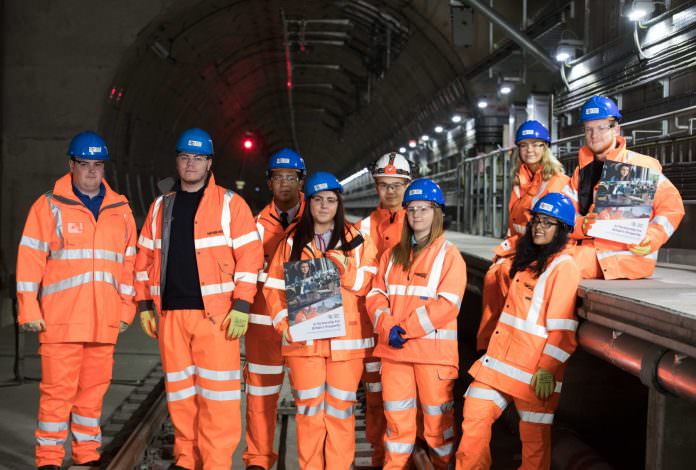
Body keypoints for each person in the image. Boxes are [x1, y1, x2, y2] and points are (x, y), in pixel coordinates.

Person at [134, 128, 263, 470]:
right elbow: (143, 258)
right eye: (185, 157)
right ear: (177, 162)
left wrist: (242, 304)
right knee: (180, 395)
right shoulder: (161, 206)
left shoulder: (230, 205)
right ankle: (185, 459)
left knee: (218, 399)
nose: (191, 164)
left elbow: (250, 257)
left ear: (209, 163)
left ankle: (216, 463)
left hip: (216, 318)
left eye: (198, 158)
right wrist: (144, 303)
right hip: (172, 316)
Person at [16, 131, 137, 469]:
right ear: (71, 164)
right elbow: (30, 260)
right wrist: (28, 307)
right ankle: (49, 460)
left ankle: (87, 456)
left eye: (97, 164)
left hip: (104, 321)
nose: (91, 172)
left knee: (92, 395)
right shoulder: (49, 206)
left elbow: (129, 264)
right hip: (60, 321)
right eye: (84, 164)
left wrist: (126, 308)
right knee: (57, 396)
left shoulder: (120, 210)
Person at [456, 193, 580, 470]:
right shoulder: (527, 262)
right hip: (498, 365)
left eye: (548, 223)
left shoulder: (563, 268)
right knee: (474, 419)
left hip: (535, 375)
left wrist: (547, 368)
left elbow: (564, 328)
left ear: (563, 230)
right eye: (537, 220)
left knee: (534, 445)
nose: (539, 226)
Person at [263, 172, 378, 469]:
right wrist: (283, 326)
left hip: (345, 345)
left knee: (340, 413)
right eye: (317, 200)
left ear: (338, 203)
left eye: (330, 200)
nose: (324, 206)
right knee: (309, 413)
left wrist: (345, 272)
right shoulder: (291, 242)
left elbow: (371, 282)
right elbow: (272, 289)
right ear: (308, 202)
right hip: (305, 343)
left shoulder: (358, 241)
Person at [366, 178, 467, 469]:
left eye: (425, 208)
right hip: (395, 354)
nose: (417, 214)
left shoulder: (449, 257)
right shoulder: (391, 256)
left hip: (432, 358)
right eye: (412, 209)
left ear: (437, 213)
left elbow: (447, 305)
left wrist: (405, 329)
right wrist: (387, 327)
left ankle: (440, 464)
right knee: (397, 425)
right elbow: (375, 295)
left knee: (437, 426)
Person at [477, 120, 574, 353]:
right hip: (523, 247)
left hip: (546, 250)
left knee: (506, 278)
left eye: (536, 145)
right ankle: (491, 344)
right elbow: (516, 226)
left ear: (546, 148)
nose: (530, 150)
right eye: (524, 145)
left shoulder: (558, 182)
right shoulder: (519, 181)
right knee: (494, 275)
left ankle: (506, 344)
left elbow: (560, 228)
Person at [570, 95, 685, 279]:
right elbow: (565, 215)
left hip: (630, 259)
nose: (594, 135)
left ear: (616, 128)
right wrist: (582, 225)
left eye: (601, 127)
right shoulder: (581, 172)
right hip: (588, 255)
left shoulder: (641, 165)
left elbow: (672, 207)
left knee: (555, 267)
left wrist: (652, 237)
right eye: (589, 129)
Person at [244, 148, 306, 470]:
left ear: (301, 182)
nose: (284, 184)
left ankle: (315, 461)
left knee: (311, 396)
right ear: (269, 183)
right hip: (262, 324)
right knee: (260, 395)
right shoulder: (252, 225)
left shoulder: (320, 220)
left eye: (291, 178)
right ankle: (257, 459)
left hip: (305, 324)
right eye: (278, 178)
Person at [354, 151, 413, 465]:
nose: (390, 192)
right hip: (371, 328)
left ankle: (401, 458)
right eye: (383, 185)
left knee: (403, 402)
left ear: (408, 186)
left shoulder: (420, 222)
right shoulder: (362, 228)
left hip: (405, 330)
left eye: (397, 185)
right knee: (376, 399)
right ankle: (380, 457)